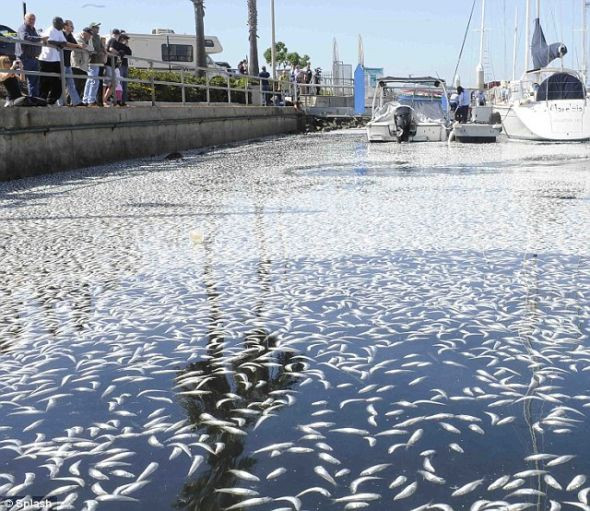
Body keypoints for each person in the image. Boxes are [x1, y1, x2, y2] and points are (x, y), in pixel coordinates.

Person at [38, 17, 70, 105]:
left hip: (56, 59)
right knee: (45, 82)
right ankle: (41, 100)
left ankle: (51, 100)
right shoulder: (50, 30)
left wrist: (59, 44)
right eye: (61, 24)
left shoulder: (59, 31)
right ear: (56, 23)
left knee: (59, 81)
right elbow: (49, 41)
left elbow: (64, 43)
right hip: (46, 59)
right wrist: (59, 44)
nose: (62, 26)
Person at [16, 13, 44, 98]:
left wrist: (41, 40)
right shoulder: (22, 28)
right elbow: (25, 38)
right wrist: (40, 39)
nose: (32, 21)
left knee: (34, 81)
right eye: (30, 19)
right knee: (20, 80)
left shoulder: (33, 29)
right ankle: (15, 98)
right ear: (25, 19)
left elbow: (36, 39)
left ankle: (34, 99)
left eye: (33, 19)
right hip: (24, 59)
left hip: (33, 59)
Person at [60, 20, 83, 106]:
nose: (73, 28)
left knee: (71, 84)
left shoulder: (70, 35)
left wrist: (77, 46)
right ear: (65, 26)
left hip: (67, 63)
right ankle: (61, 103)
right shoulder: (61, 34)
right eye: (71, 26)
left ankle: (76, 102)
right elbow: (64, 44)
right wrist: (76, 46)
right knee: (61, 84)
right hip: (60, 62)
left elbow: (75, 44)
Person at [83, 22, 105, 106]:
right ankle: (90, 100)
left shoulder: (98, 37)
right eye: (96, 27)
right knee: (93, 81)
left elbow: (101, 47)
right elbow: (92, 48)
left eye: (98, 27)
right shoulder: (90, 37)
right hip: (91, 61)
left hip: (98, 62)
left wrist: (104, 52)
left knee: (92, 81)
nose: (98, 29)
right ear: (92, 28)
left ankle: (88, 99)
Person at [72, 27, 94, 102]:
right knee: (75, 85)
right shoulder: (77, 37)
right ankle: (71, 101)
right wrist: (88, 48)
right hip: (77, 65)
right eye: (89, 35)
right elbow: (81, 45)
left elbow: (92, 49)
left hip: (84, 66)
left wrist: (87, 47)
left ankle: (77, 101)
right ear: (84, 33)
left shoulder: (87, 41)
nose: (90, 37)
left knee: (81, 86)